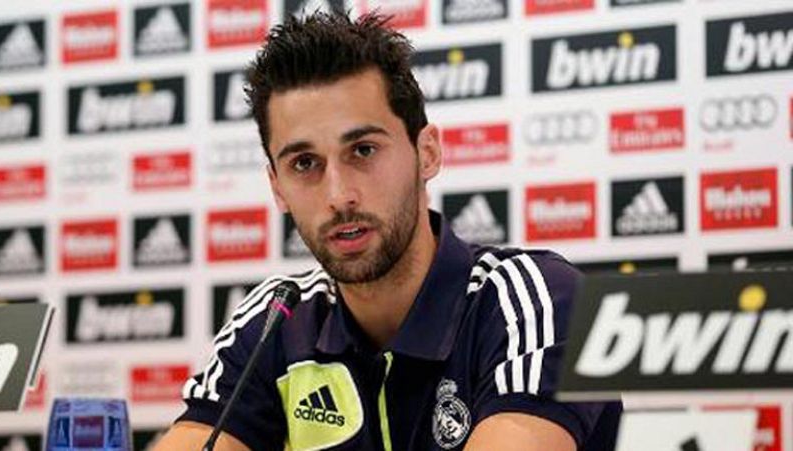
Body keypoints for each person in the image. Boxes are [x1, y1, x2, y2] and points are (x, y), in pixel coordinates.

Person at [156, 12, 621, 451]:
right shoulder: (276, 320)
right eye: (304, 163)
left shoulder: (540, 301)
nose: (339, 195)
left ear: (427, 153)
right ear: (277, 187)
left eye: (363, 150)